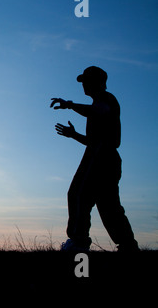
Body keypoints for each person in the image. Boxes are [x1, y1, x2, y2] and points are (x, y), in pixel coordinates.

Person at [50, 66, 139, 252]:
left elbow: (99, 111)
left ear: (98, 82)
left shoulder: (106, 99)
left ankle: (79, 240)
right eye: (83, 81)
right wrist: (73, 135)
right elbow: (93, 139)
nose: (83, 85)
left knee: (78, 194)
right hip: (102, 156)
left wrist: (70, 105)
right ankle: (128, 246)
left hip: (100, 158)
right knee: (108, 205)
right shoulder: (98, 104)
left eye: (86, 81)